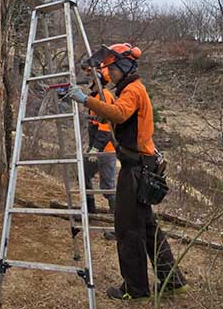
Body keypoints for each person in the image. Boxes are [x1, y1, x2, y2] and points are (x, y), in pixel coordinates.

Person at [67, 43, 188, 301]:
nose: (109, 71)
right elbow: (118, 118)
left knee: (127, 229)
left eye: (111, 67)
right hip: (141, 166)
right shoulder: (130, 89)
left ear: (123, 66)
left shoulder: (132, 90)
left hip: (135, 170)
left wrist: (85, 99)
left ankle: (136, 289)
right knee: (147, 228)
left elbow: (120, 114)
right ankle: (172, 279)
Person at [83, 67, 117, 216]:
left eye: (92, 77)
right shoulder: (94, 97)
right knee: (84, 174)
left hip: (106, 150)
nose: (90, 80)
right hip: (95, 148)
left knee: (108, 186)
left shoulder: (105, 96)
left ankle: (117, 222)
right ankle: (90, 211)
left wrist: (96, 149)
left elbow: (106, 127)